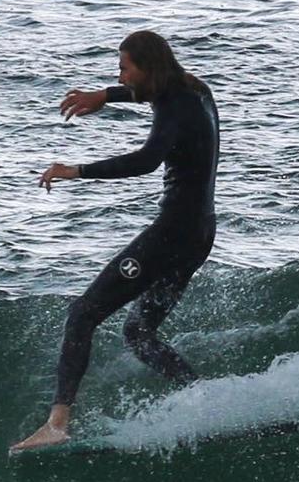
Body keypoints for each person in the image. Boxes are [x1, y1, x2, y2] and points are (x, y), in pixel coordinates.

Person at [12, 29, 219, 452]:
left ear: (148, 68)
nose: (120, 75)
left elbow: (146, 161)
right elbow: (150, 93)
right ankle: (206, 400)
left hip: (172, 235)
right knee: (139, 332)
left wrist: (78, 171)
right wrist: (106, 95)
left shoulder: (174, 106)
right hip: (199, 233)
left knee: (83, 313)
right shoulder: (194, 90)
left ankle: (58, 424)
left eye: (125, 68)